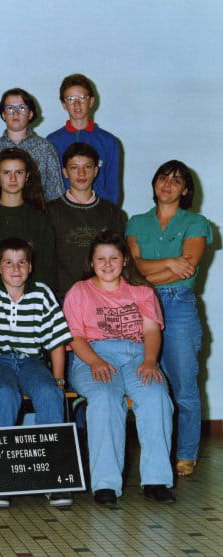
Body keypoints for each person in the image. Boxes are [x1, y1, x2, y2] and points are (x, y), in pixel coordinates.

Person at [63, 230, 175, 505]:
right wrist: (95, 361)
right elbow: (74, 336)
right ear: (91, 262)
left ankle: (157, 480)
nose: (107, 264)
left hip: (137, 354)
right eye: (100, 258)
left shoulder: (142, 291)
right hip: (93, 354)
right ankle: (105, 484)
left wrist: (150, 361)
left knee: (156, 396)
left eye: (114, 257)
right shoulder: (79, 291)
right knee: (105, 398)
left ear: (125, 260)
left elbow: (151, 331)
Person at [126, 161, 213, 477]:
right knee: (148, 384)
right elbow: (133, 266)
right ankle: (156, 454)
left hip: (178, 306)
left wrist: (148, 276)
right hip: (138, 307)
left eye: (177, 180)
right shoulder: (136, 222)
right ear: (154, 184)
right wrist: (170, 263)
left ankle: (186, 453)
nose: (168, 184)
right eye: (163, 177)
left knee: (184, 385)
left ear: (186, 189)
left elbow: (186, 268)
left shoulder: (196, 222)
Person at [0, 237, 72, 508]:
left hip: (31, 362)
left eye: (21, 263)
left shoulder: (42, 293)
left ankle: (55, 479)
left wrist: (59, 379)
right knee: (5, 394)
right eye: (8, 263)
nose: (15, 269)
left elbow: (56, 341)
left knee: (50, 394)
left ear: (30, 267)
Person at [0, 147, 55, 296]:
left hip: (32, 299)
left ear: (27, 176)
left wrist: (31, 299)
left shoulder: (39, 218)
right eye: (6, 173)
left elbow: (46, 269)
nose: (13, 178)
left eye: (19, 172)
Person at [48, 142, 126, 300]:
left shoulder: (113, 213)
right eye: (74, 168)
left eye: (88, 167)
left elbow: (119, 259)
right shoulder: (49, 212)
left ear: (96, 170)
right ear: (65, 172)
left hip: (103, 297)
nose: (81, 173)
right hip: (62, 298)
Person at [47, 74, 121, 205]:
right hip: (62, 211)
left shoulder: (109, 142)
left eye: (82, 97)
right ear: (64, 104)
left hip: (98, 211)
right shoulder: (52, 141)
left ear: (91, 101)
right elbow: (49, 185)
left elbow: (112, 187)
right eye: (70, 99)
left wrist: (109, 212)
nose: (77, 104)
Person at [0, 88, 63, 202]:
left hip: (37, 210)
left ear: (30, 114)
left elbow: (55, 192)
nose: (15, 113)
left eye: (22, 108)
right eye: (10, 108)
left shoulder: (45, 148)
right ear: (3, 114)